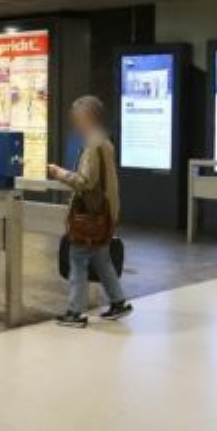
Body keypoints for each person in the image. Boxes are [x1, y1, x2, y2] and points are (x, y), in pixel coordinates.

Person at [49, 95, 133, 328]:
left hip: (91, 215)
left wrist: (58, 173)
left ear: (87, 116)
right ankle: (118, 302)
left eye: (77, 116)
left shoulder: (93, 145)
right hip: (105, 213)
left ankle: (75, 313)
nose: (74, 121)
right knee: (101, 257)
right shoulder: (104, 141)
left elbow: (85, 181)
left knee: (77, 258)